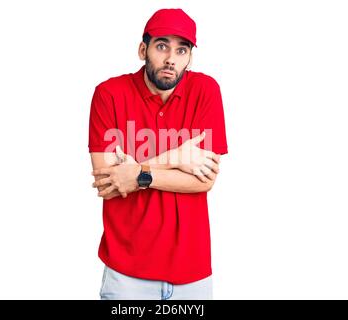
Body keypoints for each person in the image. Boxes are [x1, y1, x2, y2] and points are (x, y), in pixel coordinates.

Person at [88, 8, 228, 300]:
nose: (170, 59)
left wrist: (139, 174)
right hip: (126, 272)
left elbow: (204, 180)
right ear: (143, 49)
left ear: (190, 57)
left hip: (192, 272)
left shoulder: (206, 91)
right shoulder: (109, 95)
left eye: (181, 50)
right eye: (162, 46)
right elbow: (108, 184)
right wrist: (175, 158)